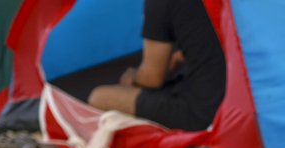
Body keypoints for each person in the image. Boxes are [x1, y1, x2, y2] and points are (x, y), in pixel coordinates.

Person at [87, 0, 226, 131]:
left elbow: (151, 79)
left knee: (99, 97)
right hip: (238, 97)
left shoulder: (159, 3)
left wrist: (132, 78)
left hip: (207, 112)